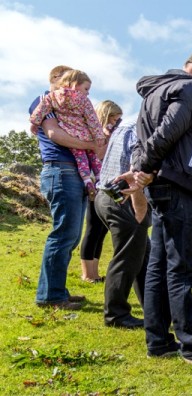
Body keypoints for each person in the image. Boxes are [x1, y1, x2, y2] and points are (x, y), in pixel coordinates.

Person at [130, 51, 192, 367]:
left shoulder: (156, 91)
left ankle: (158, 341)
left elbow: (140, 137)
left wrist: (142, 169)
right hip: (180, 183)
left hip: (162, 183)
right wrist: (145, 166)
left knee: (158, 264)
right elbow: (170, 130)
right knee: (180, 267)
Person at [30, 65, 105, 311]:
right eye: (65, 80)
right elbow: (55, 135)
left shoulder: (72, 105)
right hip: (61, 170)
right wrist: (91, 144)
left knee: (70, 236)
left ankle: (55, 290)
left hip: (74, 172)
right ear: (55, 80)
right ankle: (50, 296)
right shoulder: (45, 101)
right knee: (63, 234)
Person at [95, 118, 150, 329]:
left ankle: (154, 307)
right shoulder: (141, 129)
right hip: (123, 199)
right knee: (127, 259)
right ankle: (116, 315)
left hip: (106, 196)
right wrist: (140, 211)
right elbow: (136, 171)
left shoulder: (126, 124)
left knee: (143, 254)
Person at [30, 69, 106, 201]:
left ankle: (89, 180)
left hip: (71, 153)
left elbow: (40, 111)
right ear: (56, 78)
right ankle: (99, 178)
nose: (87, 92)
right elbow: (55, 133)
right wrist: (97, 139)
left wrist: (34, 123)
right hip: (62, 166)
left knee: (82, 157)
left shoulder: (52, 98)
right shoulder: (48, 97)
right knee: (69, 221)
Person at [80, 100, 123, 283]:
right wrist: (106, 135)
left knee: (102, 230)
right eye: (114, 117)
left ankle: (94, 272)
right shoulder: (93, 134)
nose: (116, 122)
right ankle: (87, 273)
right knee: (92, 228)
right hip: (93, 185)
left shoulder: (113, 135)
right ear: (105, 116)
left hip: (107, 186)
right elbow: (98, 154)